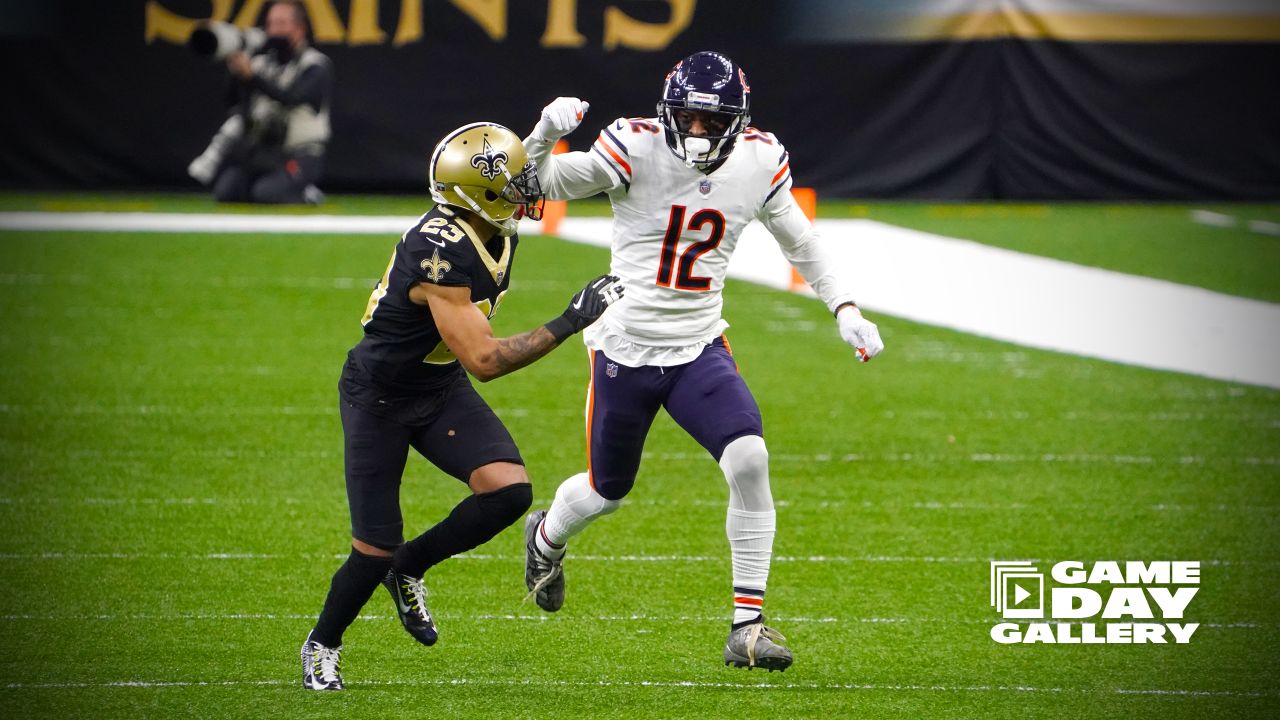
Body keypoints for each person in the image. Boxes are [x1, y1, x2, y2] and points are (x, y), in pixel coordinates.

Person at [518, 51, 885, 672]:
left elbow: (800, 238)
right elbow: (535, 185)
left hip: (697, 345)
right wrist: (545, 135)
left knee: (749, 457)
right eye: (686, 118)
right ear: (668, 112)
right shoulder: (633, 146)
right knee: (608, 491)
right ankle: (546, 536)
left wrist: (844, 306)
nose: (694, 133)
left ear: (737, 124)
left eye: (709, 123)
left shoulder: (759, 160)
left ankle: (747, 626)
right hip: (626, 345)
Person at [300, 122, 625, 691]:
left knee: (509, 492)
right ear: (479, 196)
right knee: (372, 546)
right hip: (380, 395)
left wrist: (545, 131)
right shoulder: (438, 250)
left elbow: (498, 171)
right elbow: (485, 360)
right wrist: (572, 320)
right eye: (512, 184)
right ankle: (322, 643)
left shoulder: (492, 226)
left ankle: (410, 566)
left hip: (436, 384)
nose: (526, 191)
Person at [188, 0, 331, 204]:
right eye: (270, 23)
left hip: (301, 155)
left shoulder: (316, 65)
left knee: (266, 194)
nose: (273, 30)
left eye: (281, 24)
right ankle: (282, 186)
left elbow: (291, 97)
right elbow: (233, 104)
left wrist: (252, 77)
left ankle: (306, 192)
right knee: (227, 192)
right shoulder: (261, 63)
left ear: (300, 29)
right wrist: (236, 72)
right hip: (264, 154)